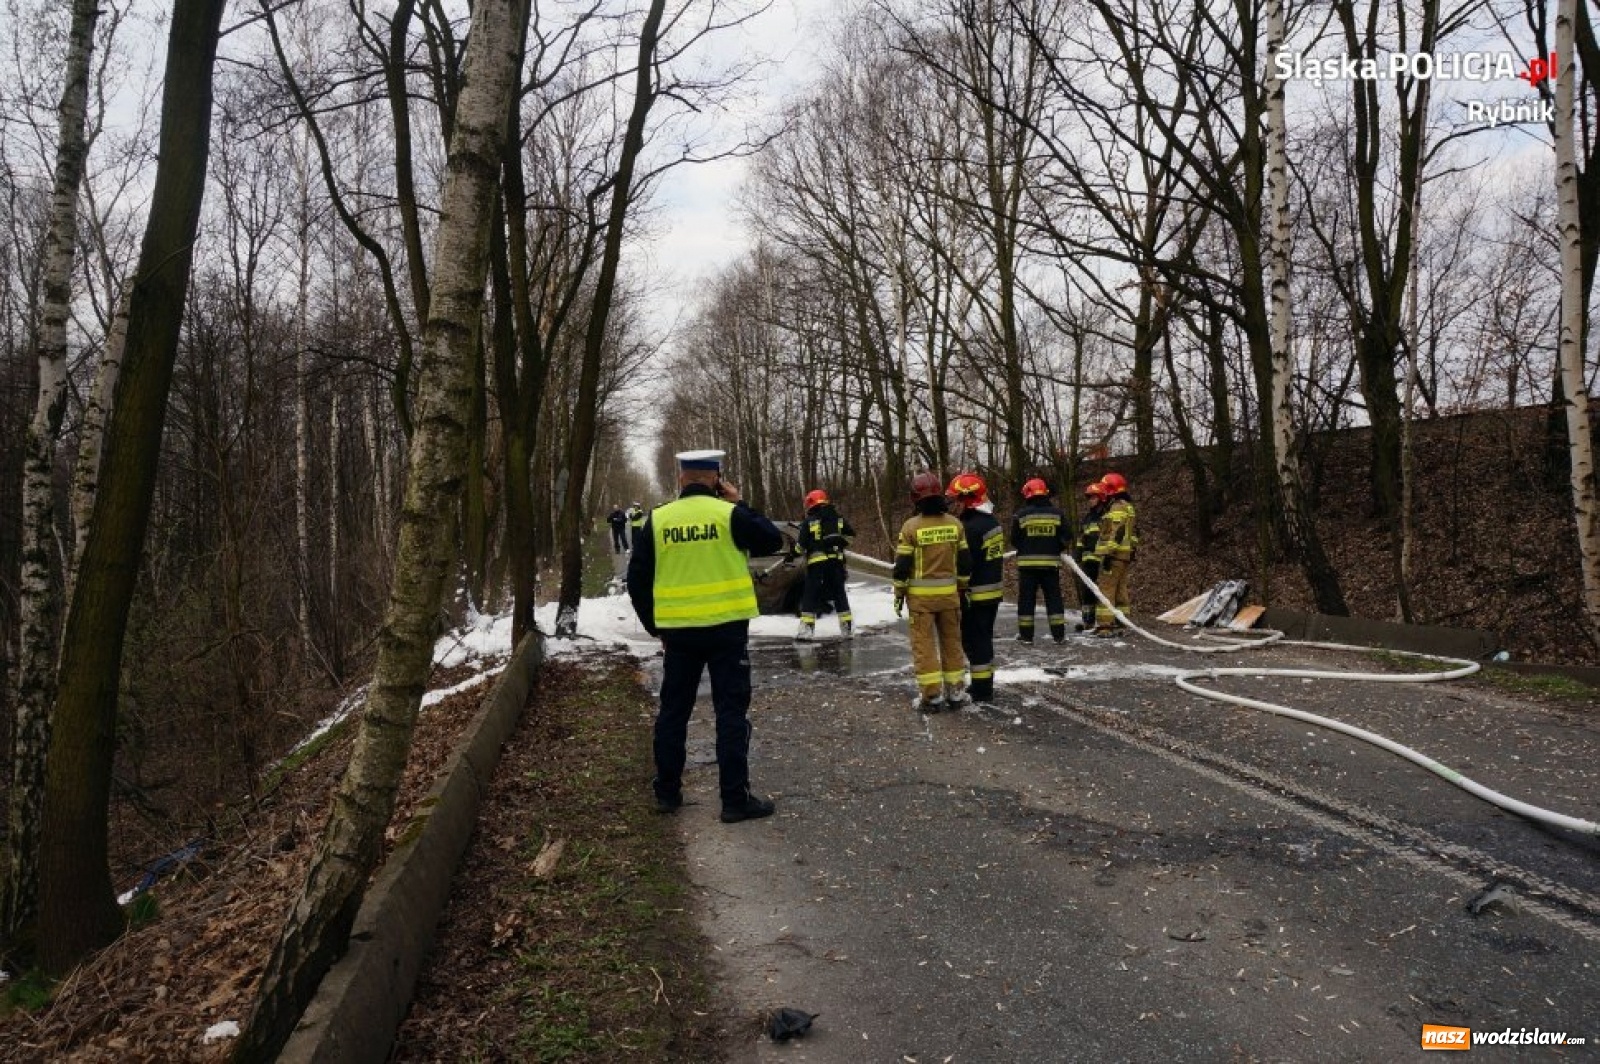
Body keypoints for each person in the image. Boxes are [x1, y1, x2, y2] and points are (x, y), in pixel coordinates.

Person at [627, 450, 786, 823]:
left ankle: (667, 794)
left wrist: (655, 627)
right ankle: (734, 800)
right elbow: (771, 540)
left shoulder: (659, 519)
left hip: (679, 635)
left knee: (673, 712)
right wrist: (739, 502)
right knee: (730, 713)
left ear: (681, 478)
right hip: (727, 631)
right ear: (717, 479)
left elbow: (637, 580)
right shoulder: (729, 515)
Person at [893, 471, 971, 713]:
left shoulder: (911, 527)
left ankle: (932, 696)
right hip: (950, 598)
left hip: (921, 602)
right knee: (953, 644)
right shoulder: (955, 524)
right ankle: (956, 693)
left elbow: (902, 567)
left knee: (924, 647)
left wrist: (899, 593)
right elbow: (965, 562)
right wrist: (962, 587)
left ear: (915, 498)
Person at [947, 472, 1004, 702]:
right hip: (992, 591)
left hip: (975, 594)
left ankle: (981, 689)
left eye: (957, 499)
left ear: (968, 499)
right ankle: (985, 682)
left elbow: (964, 563)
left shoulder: (969, 528)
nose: (954, 504)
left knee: (974, 640)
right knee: (984, 639)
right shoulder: (992, 522)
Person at [1010, 477, 1071, 643]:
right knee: (1054, 599)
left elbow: (1014, 539)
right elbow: (1067, 536)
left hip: (1027, 566)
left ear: (1028, 494)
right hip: (1050, 565)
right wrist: (1056, 547)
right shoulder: (1057, 514)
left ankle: (1026, 636)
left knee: (1026, 601)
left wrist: (1026, 547)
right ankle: (1059, 635)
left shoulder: (1021, 515)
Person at [795, 488, 855, 640]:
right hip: (836, 563)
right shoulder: (838, 519)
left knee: (810, 595)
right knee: (839, 594)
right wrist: (840, 543)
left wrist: (793, 553)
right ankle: (847, 629)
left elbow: (800, 547)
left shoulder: (809, 521)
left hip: (817, 565)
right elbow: (851, 536)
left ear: (811, 503)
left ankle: (806, 631)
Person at [1090, 472, 1138, 635]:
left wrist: (1109, 553)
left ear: (1111, 490)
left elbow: (1117, 532)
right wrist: (1132, 551)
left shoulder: (1117, 507)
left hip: (1115, 555)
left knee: (1106, 588)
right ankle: (1122, 622)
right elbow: (1134, 534)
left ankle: (1105, 626)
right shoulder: (1128, 507)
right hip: (1124, 555)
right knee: (1120, 589)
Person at [1072, 481, 1109, 630]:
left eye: (1093, 497)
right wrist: (1077, 554)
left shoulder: (1106, 516)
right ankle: (1088, 620)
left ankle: (1105, 620)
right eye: (1089, 498)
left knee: (1104, 590)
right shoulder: (1087, 518)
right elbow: (1081, 538)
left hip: (1103, 558)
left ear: (1101, 498)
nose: (1090, 501)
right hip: (1088, 560)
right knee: (1087, 591)